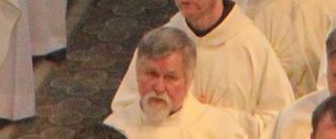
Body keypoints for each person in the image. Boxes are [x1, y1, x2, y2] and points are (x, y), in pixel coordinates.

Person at [109, 0, 296, 125]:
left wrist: (212, 120)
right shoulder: (160, 42)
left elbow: (279, 121)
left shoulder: (251, 45)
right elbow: (124, 109)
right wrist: (167, 111)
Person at [104, 25, 263, 137]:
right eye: (152, 74)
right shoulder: (115, 127)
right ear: (137, 75)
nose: (159, 87)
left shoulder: (219, 130)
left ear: (188, 80)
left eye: (170, 77)